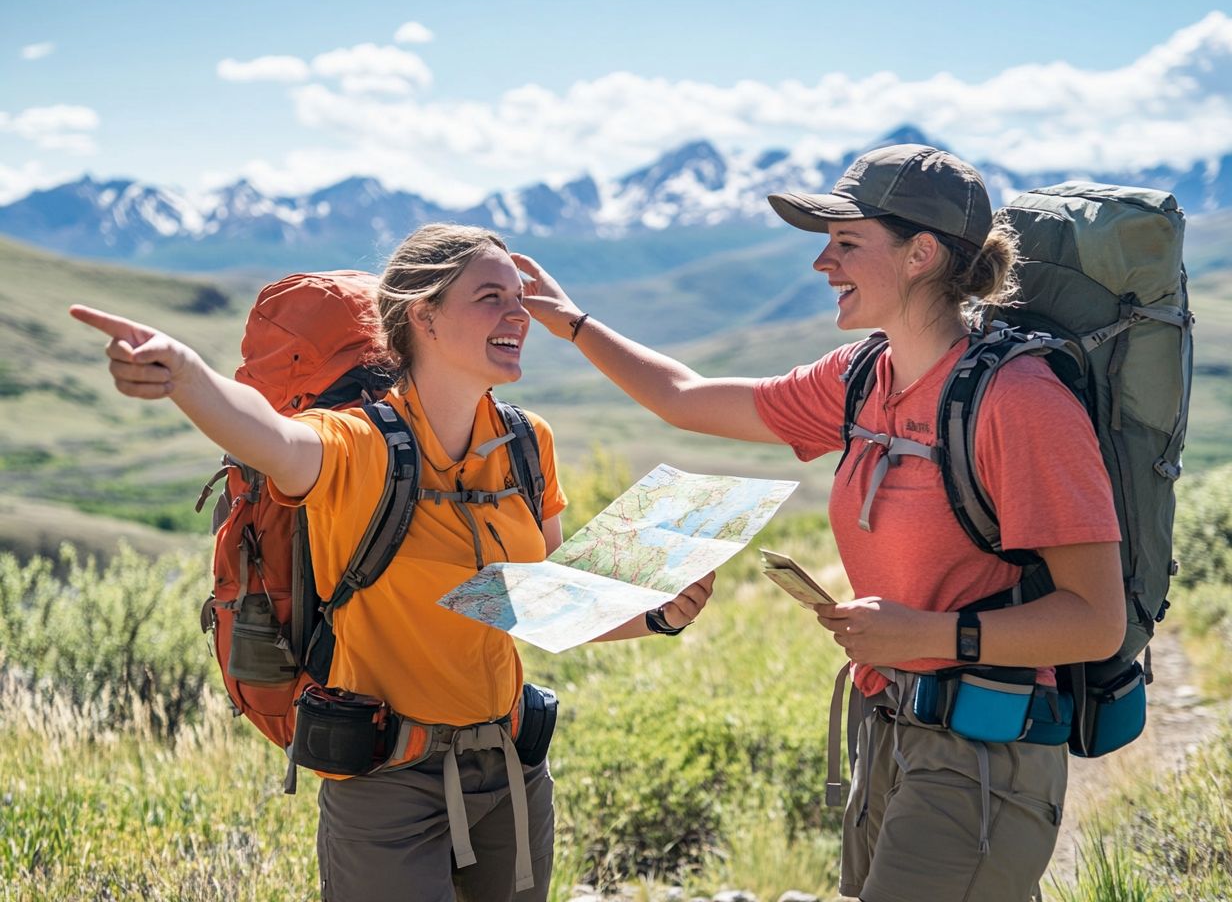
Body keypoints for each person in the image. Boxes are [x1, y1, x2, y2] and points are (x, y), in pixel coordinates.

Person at [515, 146, 1124, 902]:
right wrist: (571, 323)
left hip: (983, 754)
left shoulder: (1020, 402)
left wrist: (930, 636)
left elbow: (1096, 621)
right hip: (889, 731)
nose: (820, 264)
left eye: (845, 243)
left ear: (920, 255)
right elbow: (685, 397)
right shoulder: (860, 377)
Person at [70, 223, 714, 902]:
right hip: (388, 788)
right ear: (424, 318)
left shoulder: (527, 443)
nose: (519, 314)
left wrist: (656, 615)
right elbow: (272, 439)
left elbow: (545, 601)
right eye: (491, 297)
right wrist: (187, 376)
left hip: (512, 772)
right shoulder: (360, 446)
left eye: (520, 297)